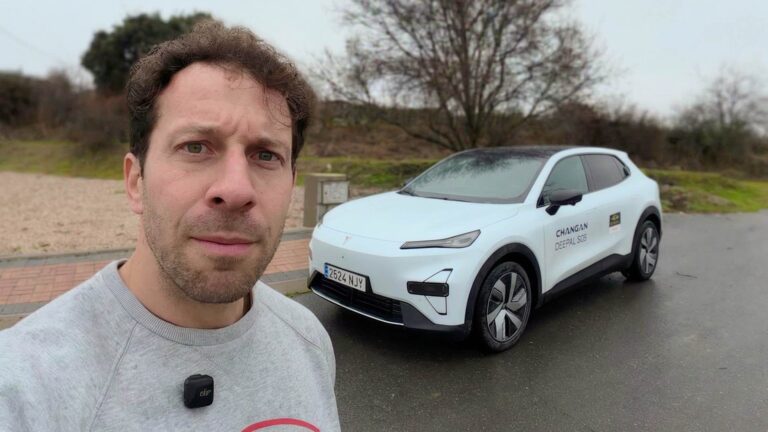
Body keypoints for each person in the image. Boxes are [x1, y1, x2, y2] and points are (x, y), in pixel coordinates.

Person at [0, 21, 340, 431]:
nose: (236, 190)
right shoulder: (22, 388)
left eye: (266, 155)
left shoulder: (309, 340)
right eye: (195, 147)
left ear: (291, 182)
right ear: (135, 181)